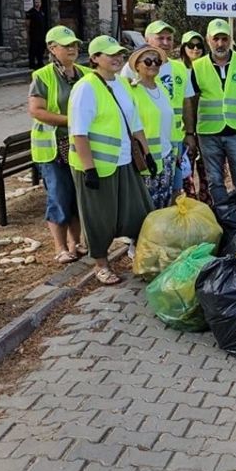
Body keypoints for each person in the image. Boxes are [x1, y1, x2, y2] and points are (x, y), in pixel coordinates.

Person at [68, 36, 155, 285]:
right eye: (109, 54)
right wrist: (89, 169)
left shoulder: (122, 84)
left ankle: (140, 255)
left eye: (119, 53)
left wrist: (147, 154)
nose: (117, 58)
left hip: (125, 161)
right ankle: (101, 264)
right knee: (99, 218)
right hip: (97, 166)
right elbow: (79, 132)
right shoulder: (85, 88)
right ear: (95, 58)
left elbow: (135, 124)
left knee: (138, 213)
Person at [27, 25, 90, 264]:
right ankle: (60, 247)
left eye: (74, 45)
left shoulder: (85, 74)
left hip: (79, 144)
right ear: (52, 49)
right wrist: (72, 121)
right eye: (66, 46)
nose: (72, 49)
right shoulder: (42, 76)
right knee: (58, 195)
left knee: (76, 194)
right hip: (53, 147)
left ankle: (77, 242)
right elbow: (36, 111)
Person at [185, 19, 236, 205]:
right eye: (216, 39)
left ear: (230, 39)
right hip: (208, 134)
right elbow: (191, 102)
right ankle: (224, 217)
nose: (220, 43)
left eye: (224, 38)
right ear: (208, 40)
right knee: (215, 182)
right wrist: (190, 132)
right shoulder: (197, 67)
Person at [123, 21, 197, 193]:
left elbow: (186, 103)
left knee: (174, 188)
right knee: (148, 191)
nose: (165, 42)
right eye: (160, 38)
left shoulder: (179, 68)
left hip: (174, 139)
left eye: (169, 38)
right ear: (147, 39)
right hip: (145, 142)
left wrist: (189, 133)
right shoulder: (131, 68)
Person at [126, 45, 177, 208]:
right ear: (137, 66)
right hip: (146, 159)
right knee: (147, 205)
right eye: (148, 61)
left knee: (165, 203)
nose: (154, 64)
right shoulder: (131, 90)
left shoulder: (161, 87)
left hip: (167, 156)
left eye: (157, 61)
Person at [26, 0, 47, 68]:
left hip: (41, 34)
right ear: (34, 3)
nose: (37, 4)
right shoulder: (31, 12)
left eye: (39, 2)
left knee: (40, 49)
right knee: (33, 49)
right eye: (36, 2)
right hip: (34, 34)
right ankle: (31, 64)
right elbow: (27, 23)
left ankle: (40, 62)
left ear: (41, 3)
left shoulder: (42, 12)